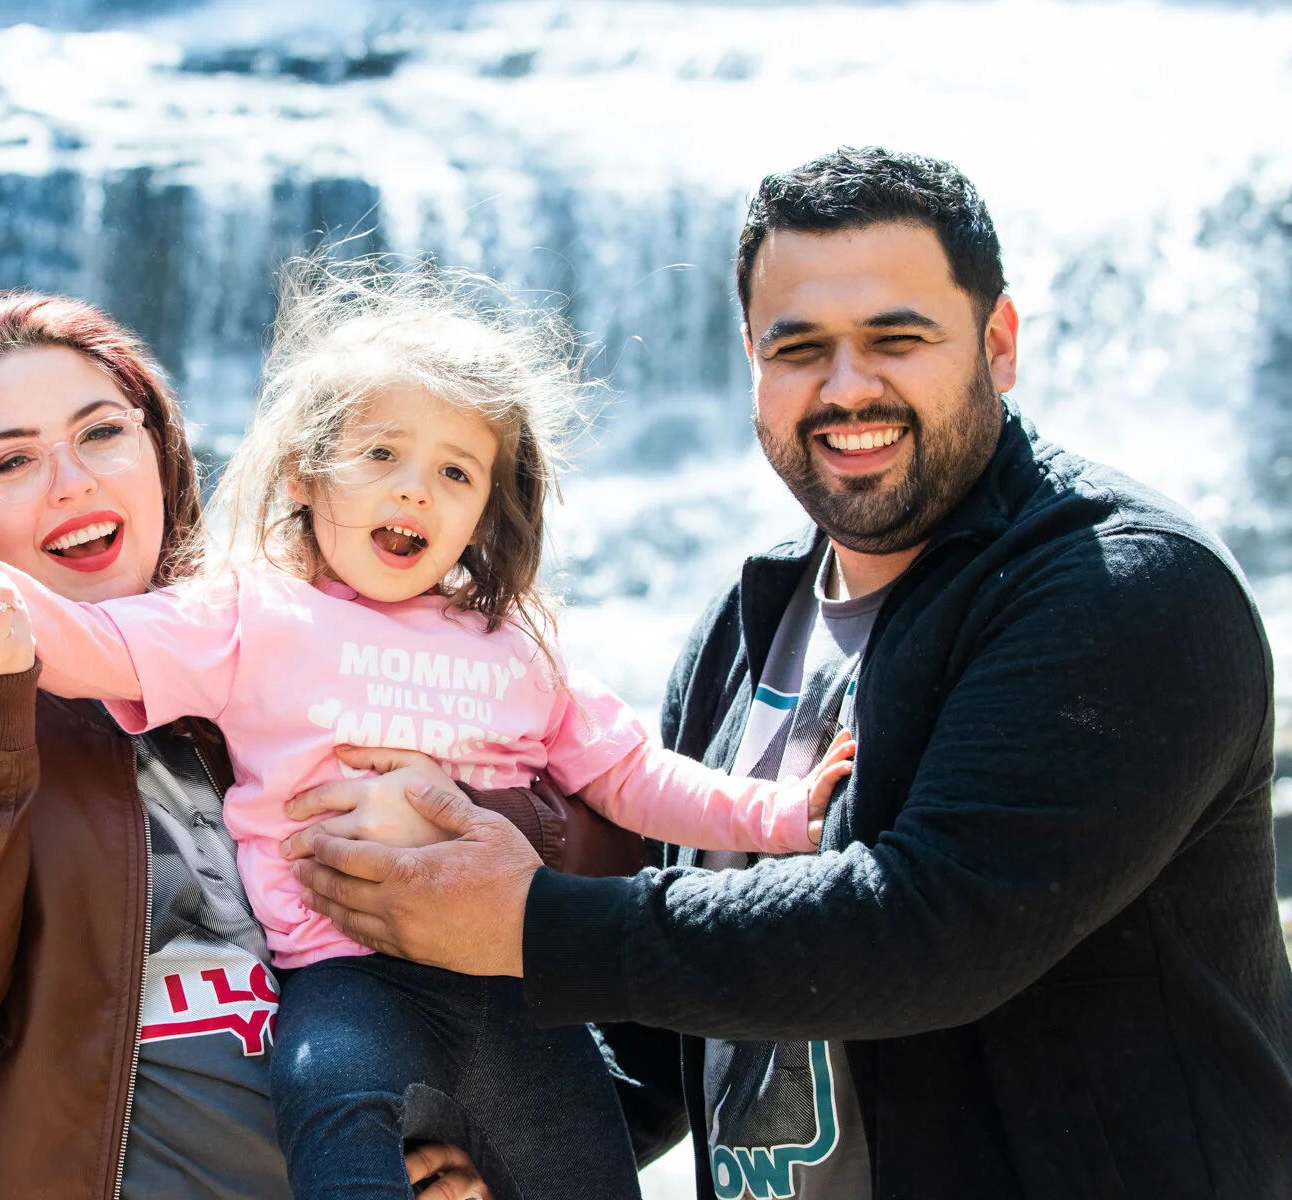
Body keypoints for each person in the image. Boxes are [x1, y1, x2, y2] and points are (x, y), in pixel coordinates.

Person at [289, 147, 1292, 1198]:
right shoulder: (743, 627)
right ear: (752, 363)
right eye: (800, 348)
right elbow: (679, 1006)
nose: (846, 387)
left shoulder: (1121, 588)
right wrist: (496, 1157)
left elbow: (929, 929)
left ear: (998, 345)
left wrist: (526, 922)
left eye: (896, 339)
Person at [0, 261, 855, 1200]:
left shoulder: (521, 649)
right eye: (380, 454)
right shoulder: (250, 614)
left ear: (485, 510)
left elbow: (637, 781)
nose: (413, 489)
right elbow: (94, 645)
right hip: (343, 978)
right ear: (305, 474)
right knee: (331, 1104)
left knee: (586, 1171)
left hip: (509, 979)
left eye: (454, 471)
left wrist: (782, 816)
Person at [0, 291, 573, 1200]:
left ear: (160, 455)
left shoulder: (274, 642)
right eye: (12, 461)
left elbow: (565, 902)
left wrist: (440, 1142)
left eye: (102, 434)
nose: (72, 482)